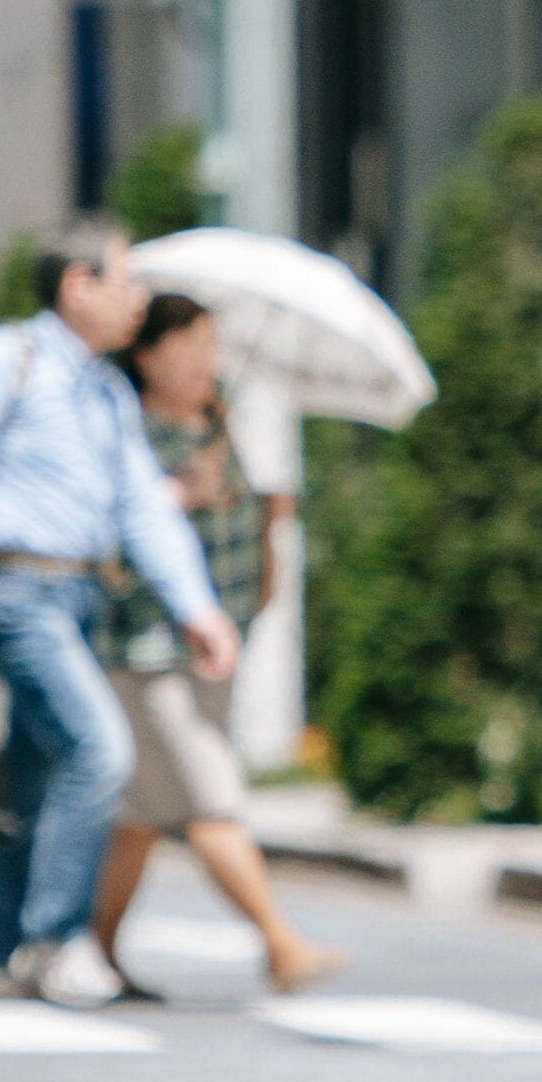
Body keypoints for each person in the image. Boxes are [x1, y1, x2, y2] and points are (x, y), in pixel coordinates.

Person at [0, 215, 239, 1005]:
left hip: (81, 594)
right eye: (123, 280)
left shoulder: (102, 387)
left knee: (38, 776)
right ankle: (55, 939)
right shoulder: (7, 360)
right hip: (16, 593)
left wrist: (196, 606)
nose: (137, 300)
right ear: (76, 285)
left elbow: (141, 507)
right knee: (99, 752)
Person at [84, 292, 347, 997]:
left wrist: (266, 518)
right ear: (147, 357)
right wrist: (176, 498)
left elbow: (248, 534)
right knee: (210, 797)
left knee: (138, 819)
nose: (206, 361)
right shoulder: (126, 434)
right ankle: (279, 942)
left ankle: (93, 950)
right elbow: (100, 548)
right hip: (146, 651)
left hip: (214, 649)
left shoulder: (218, 426)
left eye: (210, 345)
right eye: (190, 346)